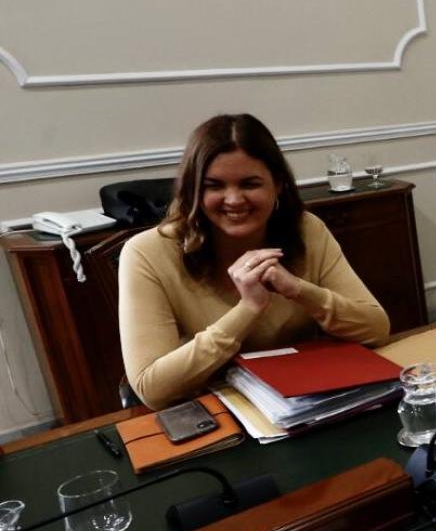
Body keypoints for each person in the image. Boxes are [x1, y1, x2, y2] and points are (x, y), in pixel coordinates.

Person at [119, 114, 389, 409]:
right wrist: (247, 310)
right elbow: (152, 389)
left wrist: (298, 289)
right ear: (193, 190)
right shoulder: (145, 252)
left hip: (305, 402)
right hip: (213, 409)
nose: (233, 199)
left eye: (250, 184)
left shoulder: (306, 229)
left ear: (279, 185)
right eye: (214, 186)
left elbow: (375, 328)